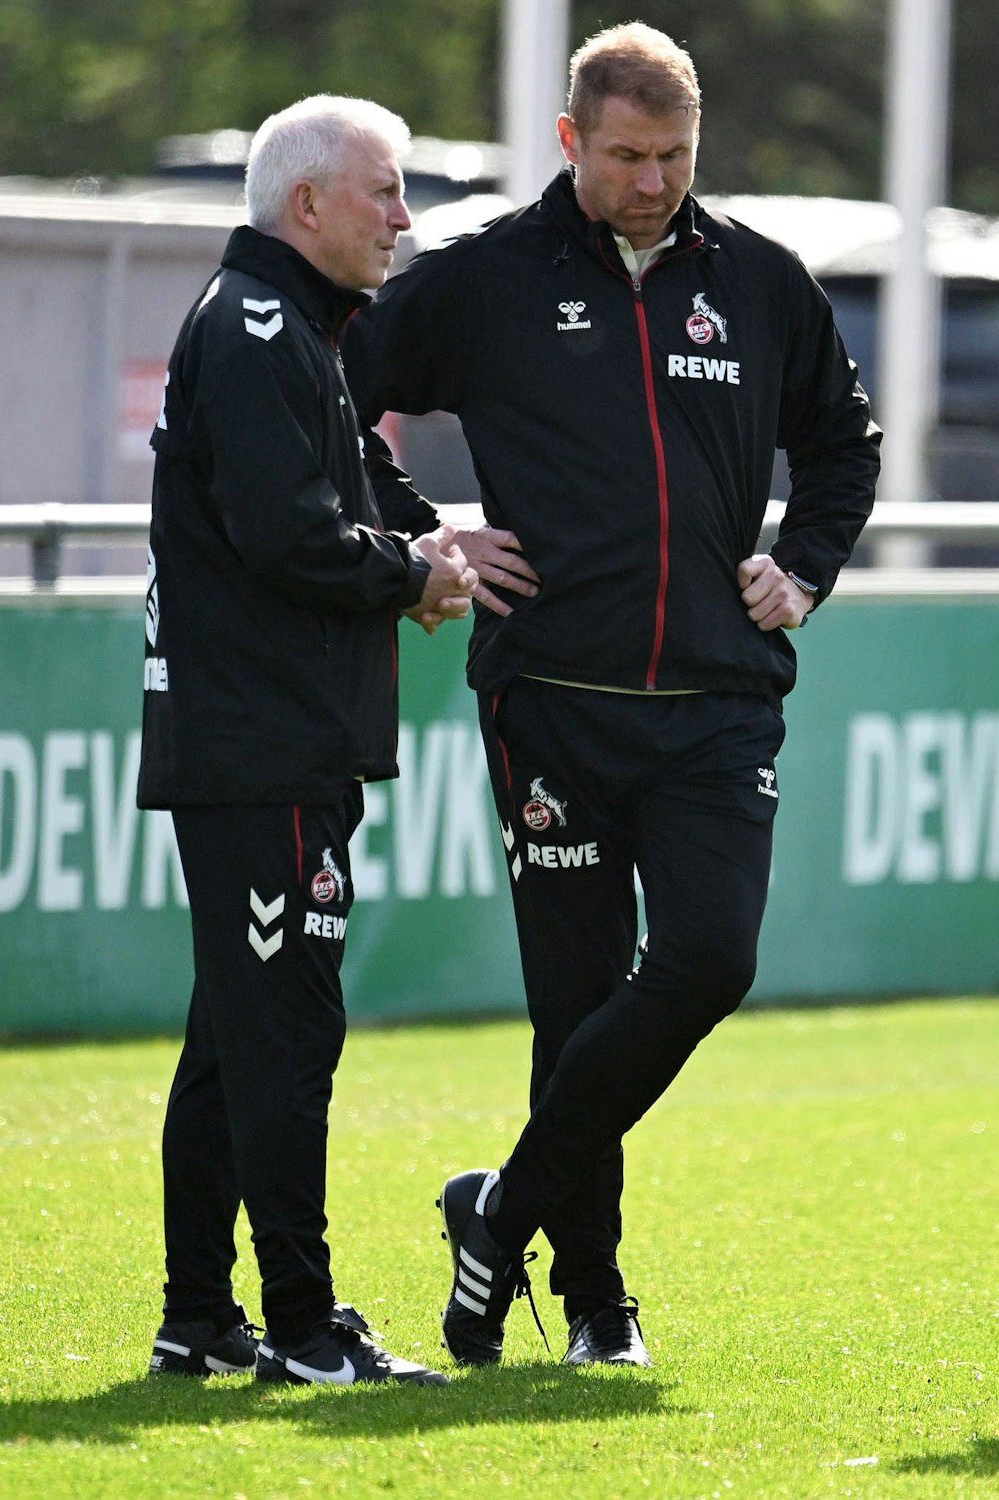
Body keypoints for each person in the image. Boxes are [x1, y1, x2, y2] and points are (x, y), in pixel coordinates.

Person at [344, 22, 880, 1370]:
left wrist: (805, 566)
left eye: (677, 156)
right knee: (574, 1010)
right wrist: (427, 538)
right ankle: (594, 1302)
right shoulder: (485, 281)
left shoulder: (758, 283)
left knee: (712, 958)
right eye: (629, 156)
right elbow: (331, 392)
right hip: (553, 702)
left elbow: (843, 440)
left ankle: (500, 1208)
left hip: (716, 705)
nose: (654, 182)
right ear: (573, 142)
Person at [138, 94, 487, 1388]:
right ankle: (300, 1324)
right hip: (261, 744)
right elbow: (288, 534)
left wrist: (427, 547)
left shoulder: (295, 333)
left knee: (237, 1034)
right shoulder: (255, 330)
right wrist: (411, 574)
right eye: (386, 192)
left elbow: (343, 496)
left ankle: (199, 1316)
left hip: (268, 740)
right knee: (285, 1030)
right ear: (307, 206)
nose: (403, 218)